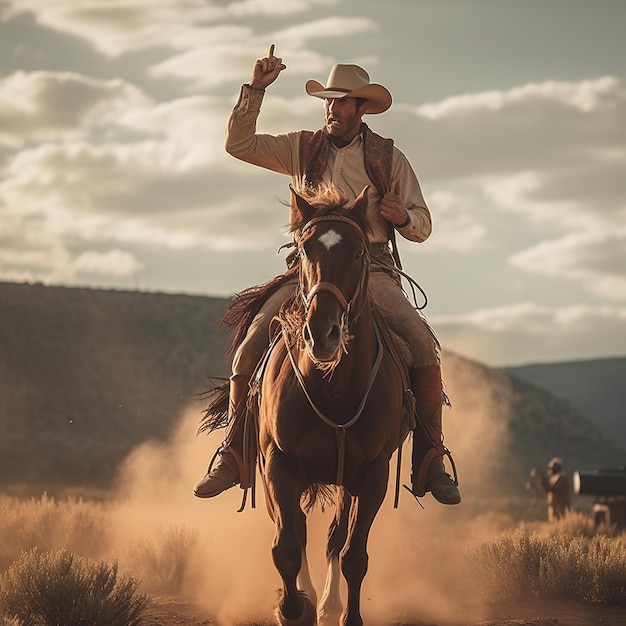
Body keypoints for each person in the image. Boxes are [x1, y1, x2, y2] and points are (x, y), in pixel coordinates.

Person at [194, 45, 461, 505]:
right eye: (328, 101)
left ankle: (431, 457)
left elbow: (424, 223)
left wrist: (402, 218)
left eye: (341, 101)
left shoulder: (388, 158)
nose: (331, 109)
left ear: (361, 108)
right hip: (309, 270)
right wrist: (255, 89)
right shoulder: (302, 146)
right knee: (250, 346)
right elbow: (239, 145)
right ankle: (234, 452)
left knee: (420, 343)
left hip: (370, 268)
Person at [531, 457, 572, 522]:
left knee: (561, 526)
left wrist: (543, 477)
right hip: (554, 508)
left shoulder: (562, 477)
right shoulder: (554, 478)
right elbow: (547, 488)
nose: (550, 470)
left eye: (551, 468)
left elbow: (552, 488)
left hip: (561, 508)